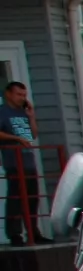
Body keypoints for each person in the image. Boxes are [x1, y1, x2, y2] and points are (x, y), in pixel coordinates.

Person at [0, 82, 40, 247]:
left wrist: (31, 116)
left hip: (28, 161)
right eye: (18, 95)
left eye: (24, 95)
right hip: (13, 161)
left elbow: (34, 135)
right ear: (8, 94)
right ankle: (15, 234)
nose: (22, 98)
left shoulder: (23, 112)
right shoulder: (3, 111)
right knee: (15, 199)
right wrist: (16, 139)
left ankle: (33, 232)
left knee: (32, 198)